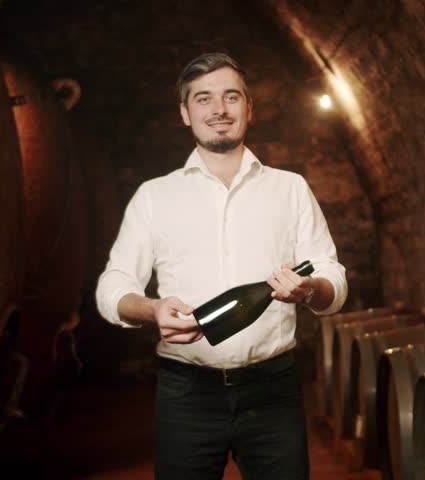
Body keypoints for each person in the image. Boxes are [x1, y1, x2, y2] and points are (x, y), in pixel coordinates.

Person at [95, 52, 348, 479]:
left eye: (231, 97)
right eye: (204, 99)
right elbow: (112, 286)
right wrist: (151, 309)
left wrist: (310, 290)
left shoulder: (290, 189)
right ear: (185, 112)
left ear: (249, 108)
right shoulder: (155, 196)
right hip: (186, 392)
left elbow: (332, 278)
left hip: (273, 389)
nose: (219, 110)